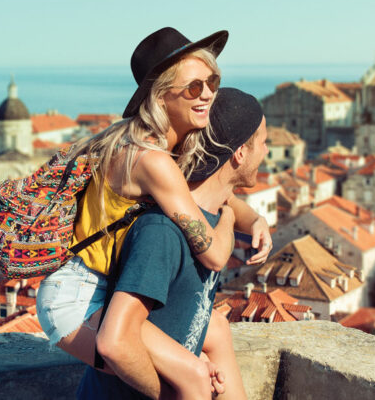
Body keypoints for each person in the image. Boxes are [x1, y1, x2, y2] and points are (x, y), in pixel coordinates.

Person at [36, 28, 271, 398]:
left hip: (98, 285)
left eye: (212, 81)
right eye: (194, 87)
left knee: (215, 332)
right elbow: (213, 252)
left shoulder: (152, 144)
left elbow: (200, 196)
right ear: (161, 96)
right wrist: (228, 217)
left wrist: (254, 219)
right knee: (190, 376)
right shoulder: (153, 160)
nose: (208, 93)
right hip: (77, 299)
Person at [79, 87, 269, 399]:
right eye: (263, 141)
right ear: (239, 152)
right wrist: (189, 381)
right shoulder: (162, 232)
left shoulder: (211, 222)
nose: (266, 151)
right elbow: (118, 339)